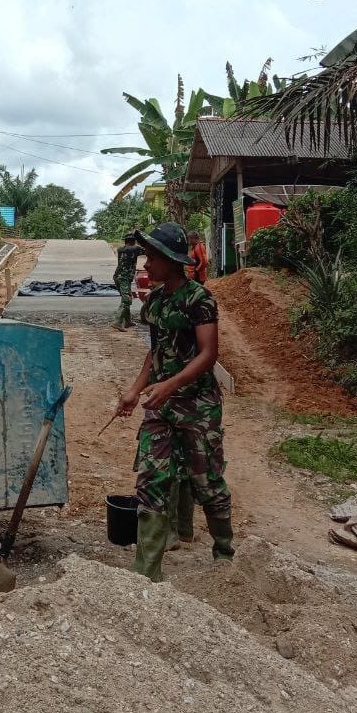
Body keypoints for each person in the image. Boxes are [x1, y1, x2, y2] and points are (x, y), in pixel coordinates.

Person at [116, 222, 234, 582]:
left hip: (198, 406)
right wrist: (135, 392)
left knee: (207, 481)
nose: (145, 265)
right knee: (151, 480)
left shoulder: (200, 299)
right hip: (160, 408)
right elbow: (154, 354)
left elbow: (208, 354)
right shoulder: (154, 304)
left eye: (151, 257)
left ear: (170, 259)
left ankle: (225, 556)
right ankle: (145, 573)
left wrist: (170, 385)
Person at [112, 232, 142, 330]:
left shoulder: (120, 249)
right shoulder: (136, 249)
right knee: (127, 299)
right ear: (134, 241)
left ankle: (127, 321)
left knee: (125, 297)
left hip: (118, 276)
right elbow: (148, 251)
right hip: (125, 277)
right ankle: (118, 321)